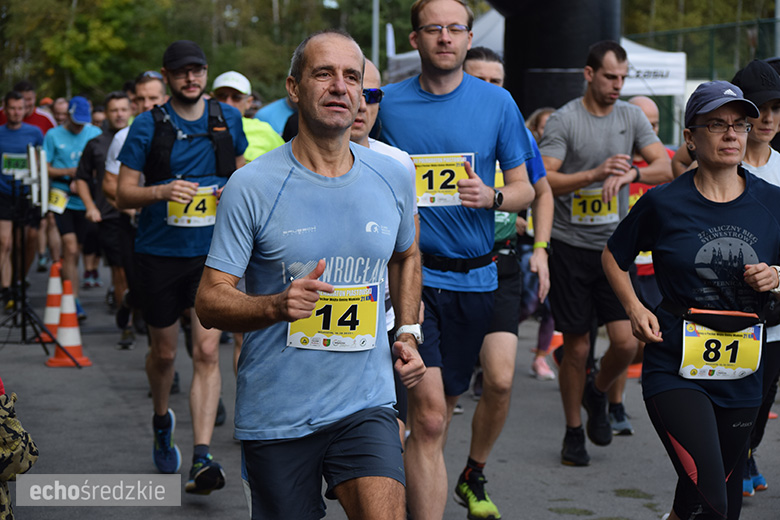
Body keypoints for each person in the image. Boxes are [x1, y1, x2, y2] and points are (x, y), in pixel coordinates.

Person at [195, 29, 425, 519]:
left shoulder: (394, 174)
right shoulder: (251, 185)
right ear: (294, 88)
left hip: (367, 402)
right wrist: (275, 305)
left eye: (351, 77)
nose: (340, 87)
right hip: (278, 414)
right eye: (324, 74)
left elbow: (406, 254)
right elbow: (210, 301)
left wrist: (407, 330)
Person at [379, 1, 536, 518]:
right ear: (414, 39)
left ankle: (426, 483)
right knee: (426, 418)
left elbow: (525, 190)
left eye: (455, 28)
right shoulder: (388, 104)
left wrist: (490, 196)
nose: (444, 37)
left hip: (478, 279)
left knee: (440, 413)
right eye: (433, 28)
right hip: (413, 280)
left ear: (469, 38)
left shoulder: (498, 103)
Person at [603, 80, 780, 520]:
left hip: (744, 368)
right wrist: (634, 307)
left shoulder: (773, 202)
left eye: (740, 125)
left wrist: (778, 275)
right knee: (712, 503)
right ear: (690, 137)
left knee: (714, 503)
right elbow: (613, 255)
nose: (731, 135)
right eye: (717, 124)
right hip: (677, 364)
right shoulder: (664, 203)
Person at [116, 40, 247, 494]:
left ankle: (202, 456)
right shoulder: (147, 125)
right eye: (181, 72)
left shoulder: (227, 118)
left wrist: (237, 189)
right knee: (166, 355)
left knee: (208, 352)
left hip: (212, 255)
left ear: (206, 73)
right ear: (167, 75)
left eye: (198, 70)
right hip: (157, 253)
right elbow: (122, 193)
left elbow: (239, 168)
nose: (191, 78)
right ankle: (160, 418)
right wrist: (161, 191)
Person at [539, 40, 672, 466]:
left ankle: (596, 394)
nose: (617, 85)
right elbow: (545, 181)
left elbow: (665, 165)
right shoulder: (565, 120)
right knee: (576, 348)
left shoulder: (631, 116)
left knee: (627, 341)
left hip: (614, 250)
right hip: (570, 247)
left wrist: (632, 171)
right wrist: (594, 174)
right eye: (610, 77)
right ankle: (572, 431)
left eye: (623, 77)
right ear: (589, 74)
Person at [452, 46, 553, 519]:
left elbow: (541, 189)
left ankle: (474, 472)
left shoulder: (510, 125)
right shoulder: (437, 123)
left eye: (499, 82)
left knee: (500, 378)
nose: (492, 91)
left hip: (502, 263)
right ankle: (402, 464)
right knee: (438, 397)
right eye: (482, 80)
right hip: (439, 266)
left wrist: (542, 251)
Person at [349, 58, 419, 442]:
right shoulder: (278, 169)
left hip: (383, 328)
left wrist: (409, 325)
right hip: (312, 336)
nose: (361, 104)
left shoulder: (398, 164)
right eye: (353, 91)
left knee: (391, 441)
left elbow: (407, 254)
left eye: (371, 94)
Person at [729, 59, 780, 499]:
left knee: (763, 397)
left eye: (777, 108)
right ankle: (733, 458)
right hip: (724, 312)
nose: (768, 118)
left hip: (775, 314)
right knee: (735, 396)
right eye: (760, 108)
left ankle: (747, 450)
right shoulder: (720, 159)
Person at [74, 91, 133, 346]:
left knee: (142, 272)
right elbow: (82, 179)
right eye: (114, 110)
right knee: (119, 270)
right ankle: (127, 325)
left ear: (130, 111)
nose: (119, 114)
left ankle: (142, 312)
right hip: (110, 216)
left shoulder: (140, 137)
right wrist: (90, 206)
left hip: (142, 215)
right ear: (106, 114)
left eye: (123, 109)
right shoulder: (96, 144)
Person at [43, 96, 102, 320]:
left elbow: (100, 166)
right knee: (69, 248)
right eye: (75, 122)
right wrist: (70, 172)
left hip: (85, 200)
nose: (79, 127)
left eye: (82, 122)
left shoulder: (93, 134)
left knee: (77, 250)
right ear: (67, 115)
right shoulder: (53, 135)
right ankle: (73, 300)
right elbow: (45, 168)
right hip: (62, 198)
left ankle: (69, 290)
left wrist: (85, 178)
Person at [0, 91, 44, 309]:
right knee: (5, 242)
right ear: (5, 109)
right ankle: (6, 287)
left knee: (26, 241)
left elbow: (41, 162)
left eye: (20, 108)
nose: (16, 112)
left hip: (27, 193)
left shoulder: (35, 133)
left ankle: (19, 279)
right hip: (4, 193)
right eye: (12, 108)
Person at [211, 71, 284, 162]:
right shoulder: (199, 127)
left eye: (236, 97)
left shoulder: (264, 130)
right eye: (222, 96)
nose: (228, 103)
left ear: (249, 102)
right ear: (212, 98)